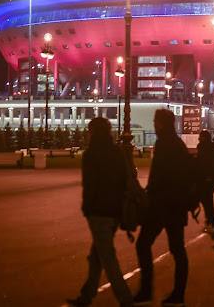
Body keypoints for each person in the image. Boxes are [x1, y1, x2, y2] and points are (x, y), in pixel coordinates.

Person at [66, 117, 133, 307]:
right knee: (97, 256)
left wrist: (87, 208)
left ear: (93, 132)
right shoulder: (117, 152)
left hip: (98, 213)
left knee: (107, 258)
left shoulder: (91, 154)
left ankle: (126, 299)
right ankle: (86, 296)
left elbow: (90, 186)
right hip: (114, 211)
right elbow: (125, 179)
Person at [134, 108, 192, 307]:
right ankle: (177, 294)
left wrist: (149, 195)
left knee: (144, 245)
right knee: (177, 250)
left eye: (155, 121)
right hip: (175, 206)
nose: (154, 125)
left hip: (162, 206)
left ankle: (147, 290)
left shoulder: (165, 144)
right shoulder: (177, 144)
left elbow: (159, 177)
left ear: (160, 123)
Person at [196, 130, 214, 234]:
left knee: (207, 202)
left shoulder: (204, 147)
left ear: (204, 138)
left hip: (207, 178)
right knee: (207, 200)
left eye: (200, 136)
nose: (199, 138)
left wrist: (207, 176)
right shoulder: (213, 148)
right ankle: (209, 222)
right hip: (213, 178)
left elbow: (204, 164)